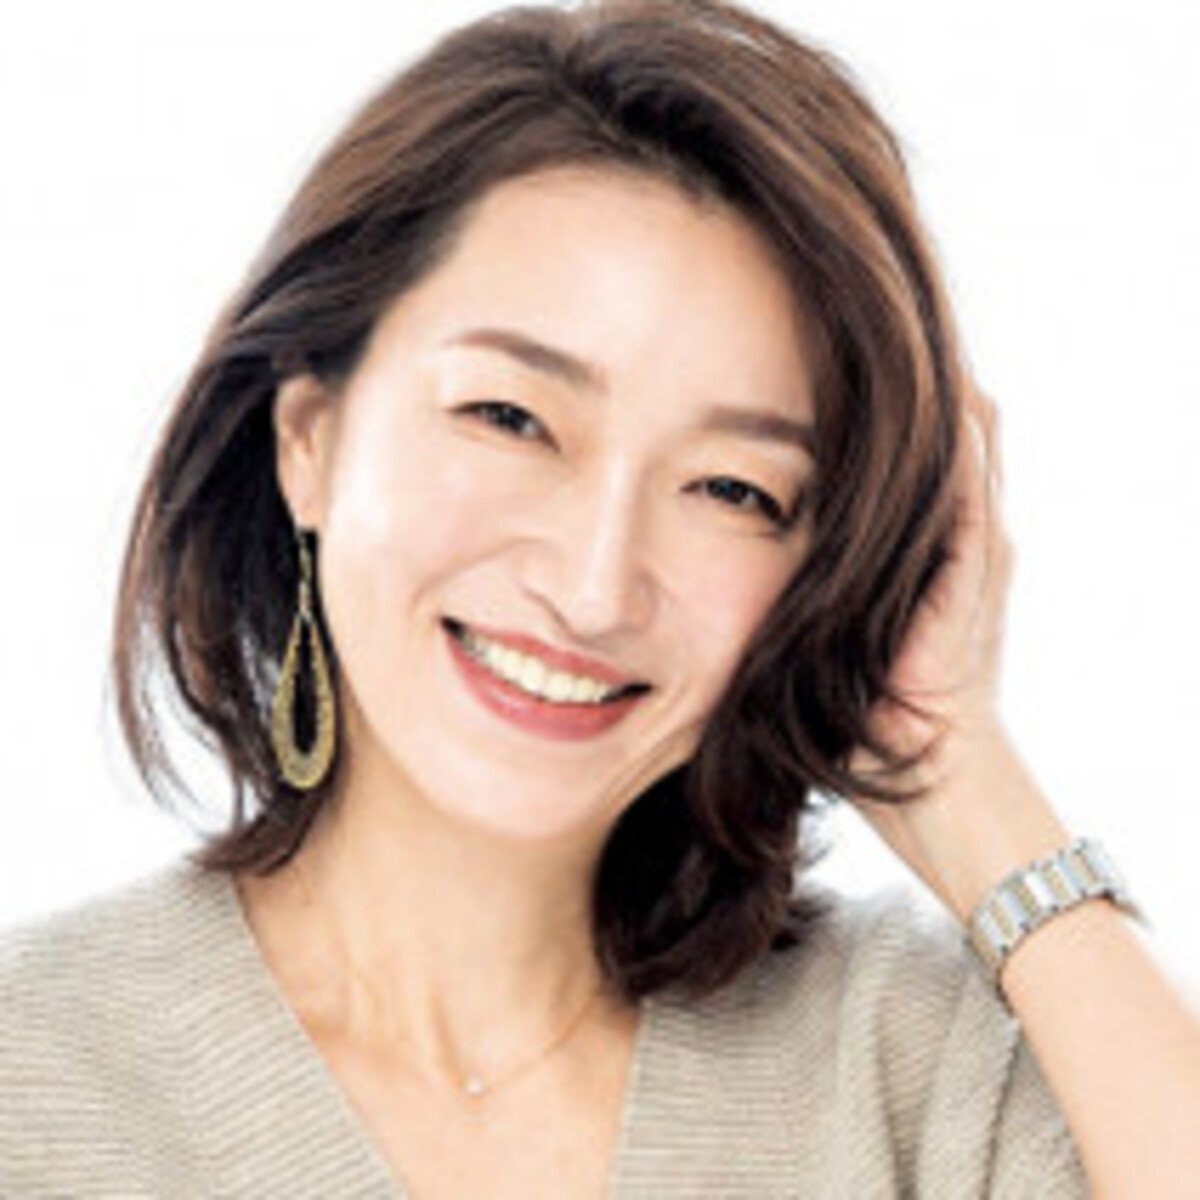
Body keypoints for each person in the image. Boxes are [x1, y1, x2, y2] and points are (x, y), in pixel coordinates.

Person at [2, 0, 1197, 1195]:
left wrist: (957, 774)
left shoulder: (901, 1065)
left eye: (732, 488)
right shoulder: (37, 1075)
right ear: (309, 438)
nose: (592, 588)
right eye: (511, 417)